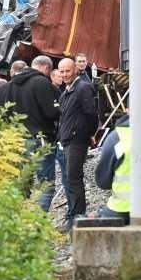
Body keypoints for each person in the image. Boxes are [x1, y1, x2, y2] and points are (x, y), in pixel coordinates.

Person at [8, 55, 61, 207]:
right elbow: (52, 112)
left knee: (23, 182)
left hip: (19, 140)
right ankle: (38, 223)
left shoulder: (12, 85)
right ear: (46, 68)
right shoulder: (41, 82)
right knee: (46, 185)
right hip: (40, 138)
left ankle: (21, 219)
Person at [56, 57, 99, 230]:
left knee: (73, 178)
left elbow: (91, 114)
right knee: (70, 178)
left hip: (76, 140)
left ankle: (77, 217)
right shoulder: (67, 90)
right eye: (62, 71)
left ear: (75, 70)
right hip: (68, 139)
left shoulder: (82, 88)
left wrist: (88, 134)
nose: (64, 74)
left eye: (67, 71)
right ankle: (73, 214)